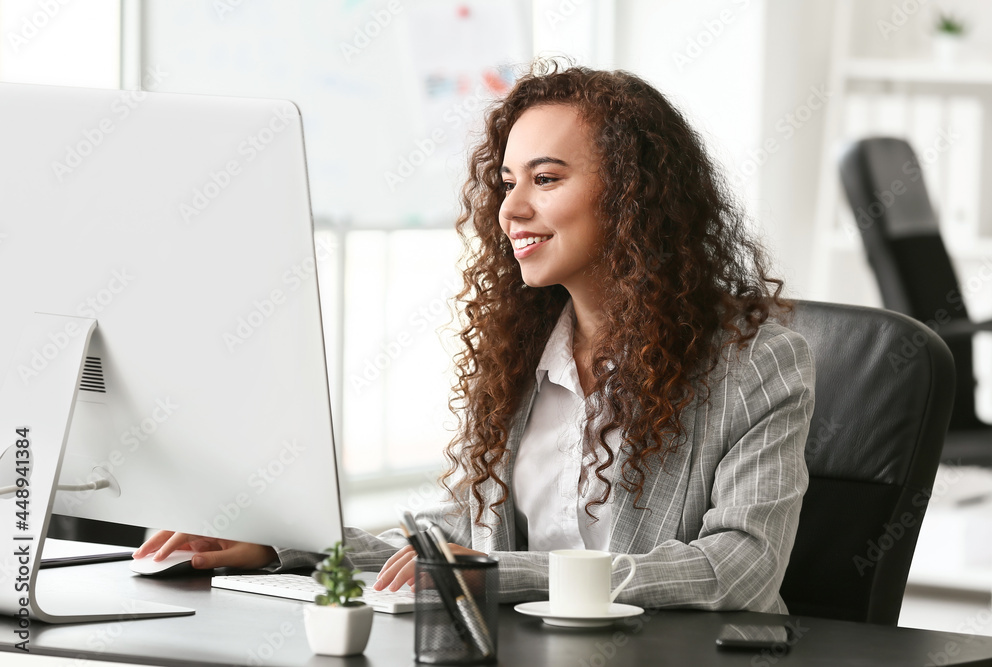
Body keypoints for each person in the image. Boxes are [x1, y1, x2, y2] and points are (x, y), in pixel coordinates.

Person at [135, 60, 814, 613]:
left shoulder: (757, 361)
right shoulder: (527, 352)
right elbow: (464, 536)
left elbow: (740, 567)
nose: (511, 208)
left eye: (545, 179)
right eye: (507, 182)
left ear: (635, 196)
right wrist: (286, 545)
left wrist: (502, 572)